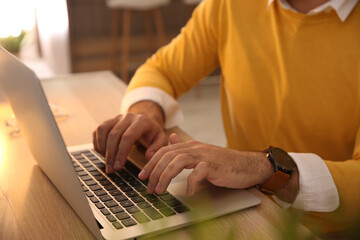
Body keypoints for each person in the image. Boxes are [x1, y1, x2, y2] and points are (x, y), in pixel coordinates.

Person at [93, 0, 360, 237]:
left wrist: (264, 168)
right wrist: (146, 111)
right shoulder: (229, 5)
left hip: (328, 229)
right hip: (243, 209)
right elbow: (162, 69)